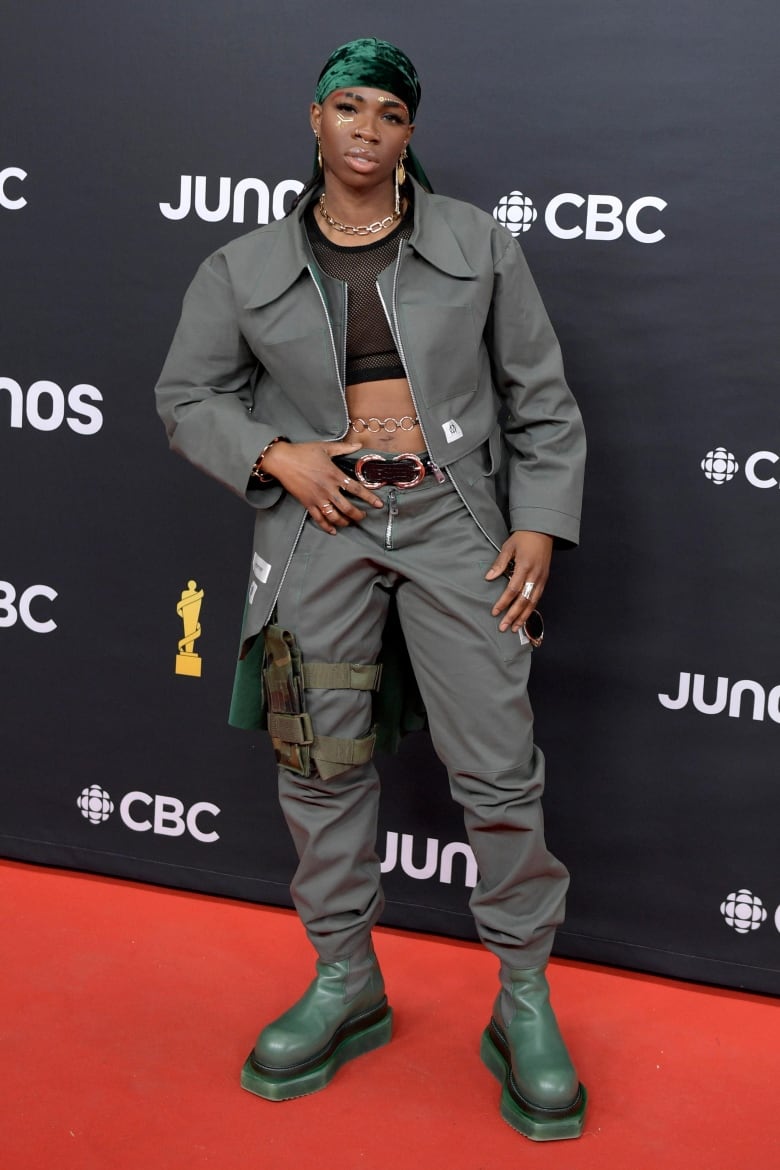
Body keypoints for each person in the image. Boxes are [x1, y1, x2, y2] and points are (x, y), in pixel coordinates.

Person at [155, 37, 587, 1142]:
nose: (365, 128)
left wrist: (539, 517)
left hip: (457, 524)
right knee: (321, 758)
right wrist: (277, 454)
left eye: (388, 115)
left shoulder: (477, 243)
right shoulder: (240, 265)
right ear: (314, 120)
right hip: (320, 524)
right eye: (347, 107)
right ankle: (345, 978)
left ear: (408, 135)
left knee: (497, 762)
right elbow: (187, 394)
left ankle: (525, 998)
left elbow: (541, 399)